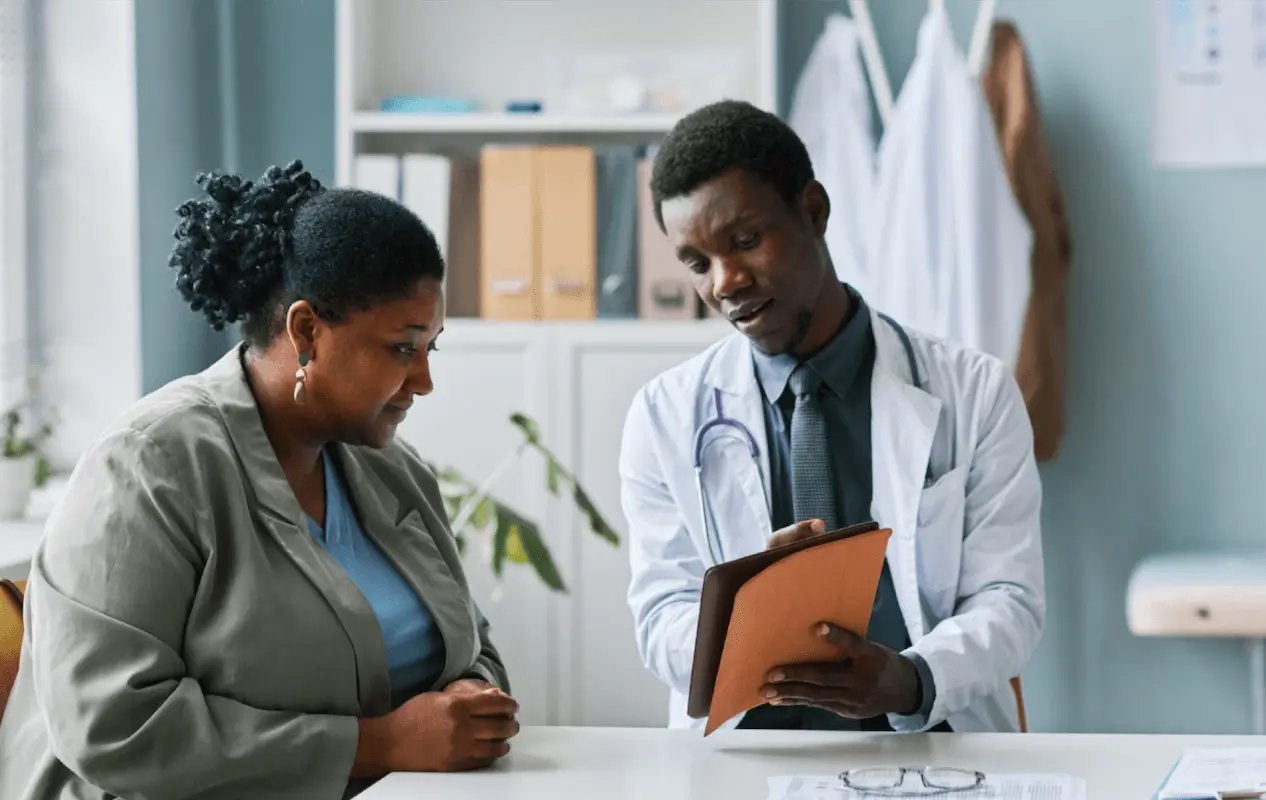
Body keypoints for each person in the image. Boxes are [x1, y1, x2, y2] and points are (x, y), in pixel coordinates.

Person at [0, 161, 520, 800]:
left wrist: (470, 696)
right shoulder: (146, 467)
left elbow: (471, 645)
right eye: (402, 348)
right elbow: (113, 726)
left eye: (430, 349)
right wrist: (380, 743)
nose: (423, 382)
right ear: (306, 331)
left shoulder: (394, 470)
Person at [620, 100, 1044, 734]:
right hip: (750, 760)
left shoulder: (974, 392)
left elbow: (1008, 600)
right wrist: (745, 613)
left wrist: (909, 679)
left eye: (744, 241)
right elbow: (660, 616)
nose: (726, 282)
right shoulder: (665, 415)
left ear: (813, 211)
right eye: (697, 263)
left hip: (927, 746)